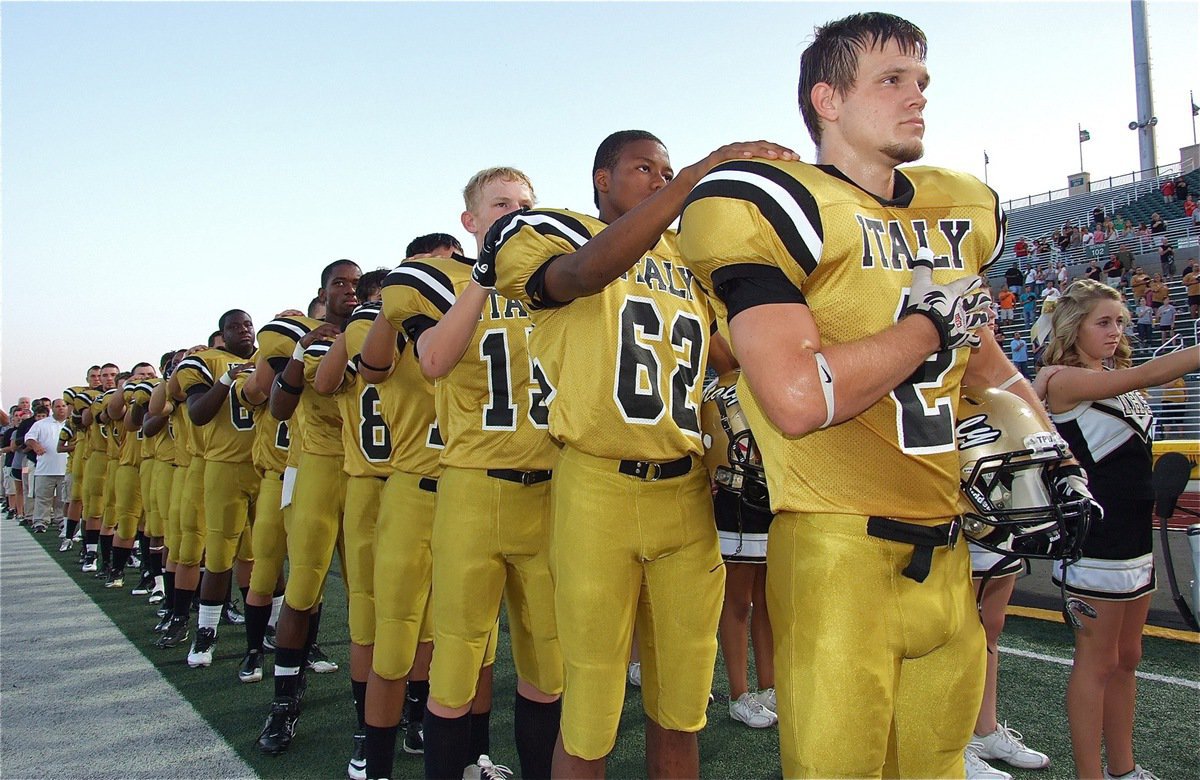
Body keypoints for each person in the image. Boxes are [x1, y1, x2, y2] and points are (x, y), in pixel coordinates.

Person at [677, 12, 1075, 777]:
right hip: (837, 553)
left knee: (938, 767)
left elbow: (984, 362)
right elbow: (797, 398)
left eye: (921, 80)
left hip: (948, 553)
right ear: (828, 99)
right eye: (891, 79)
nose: (917, 95)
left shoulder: (954, 208)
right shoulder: (775, 204)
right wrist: (927, 327)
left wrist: (1044, 444)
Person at [485, 129, 795, 779]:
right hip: (597, 486)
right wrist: (696, 176)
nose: (660, 178)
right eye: (644, 168)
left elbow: (728, 354)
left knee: (682, 709)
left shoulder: (689, 255)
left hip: (685, 494)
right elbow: (580, 274)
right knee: (590, 713)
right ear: (602, 179)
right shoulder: (554, 233)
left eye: (666, 169)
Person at [1036, 280, 1199, 780]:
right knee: (1097, 661)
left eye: (1120, 322)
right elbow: (1150, 373)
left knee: (1128, 657)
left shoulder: (1115, 378)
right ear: (1074, 328)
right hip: (1095, 540)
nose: (1115, 331)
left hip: (1135, 539)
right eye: (1103, 322)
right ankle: (1090, 774)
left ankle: (1123, 770)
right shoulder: (1061, 380)